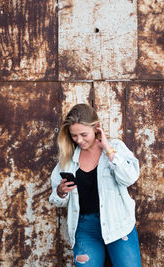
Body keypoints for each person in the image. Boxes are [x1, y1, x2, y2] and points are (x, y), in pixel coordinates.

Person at [49, 103, 141, 266]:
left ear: (96, 127)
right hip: (85, 227)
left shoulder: (115, 147)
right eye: (74, 135)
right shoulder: (68, 158)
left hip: (118, 223)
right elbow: (57, 199)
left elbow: (129, 178)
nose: (79, 140)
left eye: (84, 134)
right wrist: (61, 191)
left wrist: (108, 148)